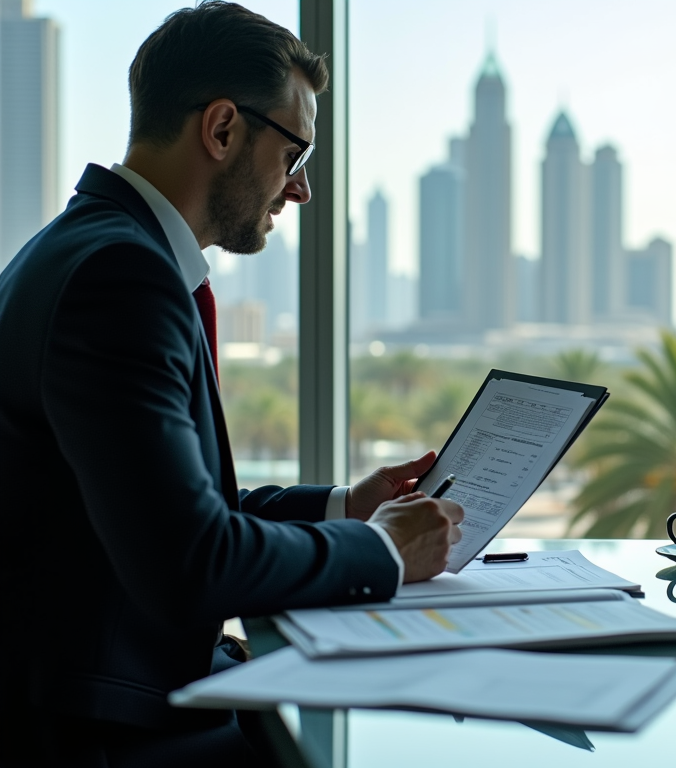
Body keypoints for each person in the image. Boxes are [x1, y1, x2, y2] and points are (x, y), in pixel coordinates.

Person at [0, 2, 463, 765]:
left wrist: (348, 506)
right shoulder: (120, 280)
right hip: (111, 733)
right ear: (221, 129)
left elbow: (166, 510)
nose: (301, 190)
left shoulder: (90, 251)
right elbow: (191, 562)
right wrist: (379, 552)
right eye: (296, 155)